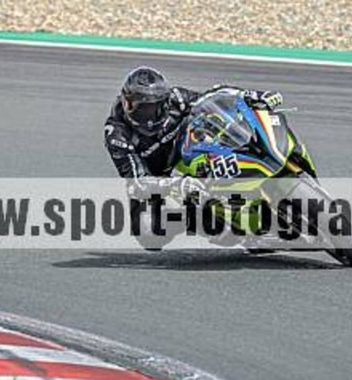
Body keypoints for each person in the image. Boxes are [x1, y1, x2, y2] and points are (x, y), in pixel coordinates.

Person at [103, 66, 284, 249]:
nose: (146, 117)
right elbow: (138, 182)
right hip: (160, 181)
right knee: (149, 233)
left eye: (152, 109)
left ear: (164, 103)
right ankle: (218, 225)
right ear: (125, 101)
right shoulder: (117, 134)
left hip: (191, 153)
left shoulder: (177, 99)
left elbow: (213, 96)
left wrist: (250, 95)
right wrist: (174, 185)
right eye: (137, 107)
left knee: (217, 122)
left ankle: (258, 166)